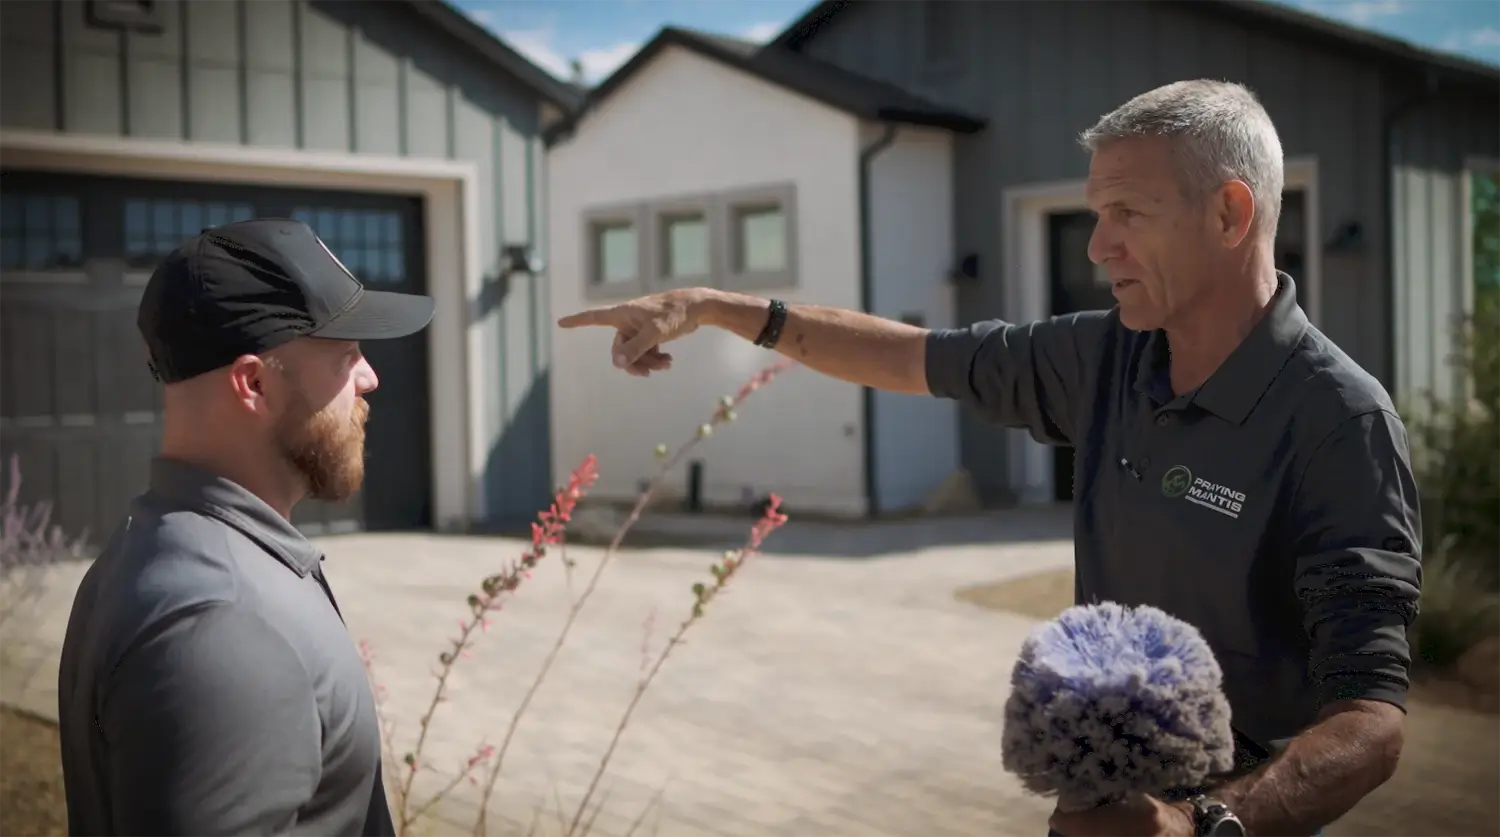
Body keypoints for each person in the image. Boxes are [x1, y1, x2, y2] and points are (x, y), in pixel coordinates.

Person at [557, 80, 1422, 837]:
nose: (1098, 246)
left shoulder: (1339, 422)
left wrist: (1207, 823)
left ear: (1230, 214)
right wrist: (712, 305)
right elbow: (908, 356)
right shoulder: (1104, 356)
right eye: (1096, 214)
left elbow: (1370, 722)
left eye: (1128, 212)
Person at [56, 218, 435, 837]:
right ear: (254, 383)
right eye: (346, 355)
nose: (369, 378)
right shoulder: (223, 625)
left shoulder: (159, 552)